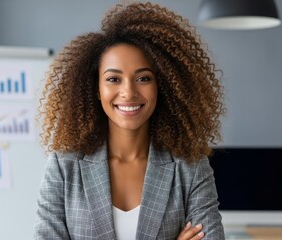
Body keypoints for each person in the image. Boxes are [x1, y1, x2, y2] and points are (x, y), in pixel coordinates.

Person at [34, 2, 225, 239]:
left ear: (161, 86)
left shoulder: (190, 167)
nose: (129, 92)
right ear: (96, 89)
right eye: (113, 79)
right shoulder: (64, 167)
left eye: (143, 78)